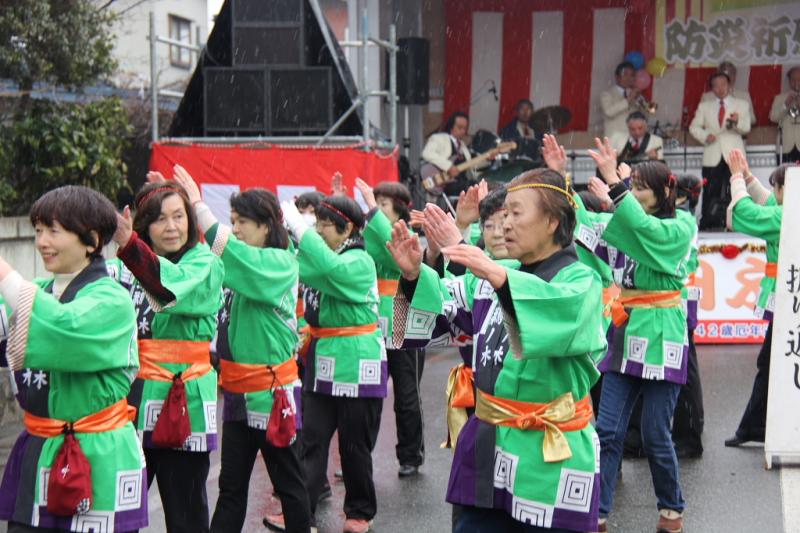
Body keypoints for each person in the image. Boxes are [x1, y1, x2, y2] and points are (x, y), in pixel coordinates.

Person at [389, 168, 608, 532]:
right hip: (488, 439)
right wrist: (415, 275)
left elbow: (555, 314)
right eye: (503, 214)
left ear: (553, 220)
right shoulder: (497, 273)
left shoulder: (580, 281)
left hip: (549, 451)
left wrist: (495, 274)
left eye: (516, 213)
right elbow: (437, 317)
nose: (504, 224)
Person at [172, 169, 312, 533]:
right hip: (236, 395)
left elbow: (228, 251)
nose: (235, 228)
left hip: (272, 395)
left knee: (290, 486)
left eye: (244, 221)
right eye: (232, 221)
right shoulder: (236, 263)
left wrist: (199, 206)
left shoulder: (281, 263)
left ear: (267, 226)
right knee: (231, 488)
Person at [0, 186, 147, 533]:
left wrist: (5, 274)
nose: (41, 241)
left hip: (98, 454)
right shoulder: (39, 291)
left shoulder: (112, 300)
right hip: (39, 448)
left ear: (91, 240)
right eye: (37, 230)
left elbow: (65, 328)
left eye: (53, 230)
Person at [576, 136, 694, 533]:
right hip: (624, 331)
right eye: (634, 186)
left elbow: (645, 232)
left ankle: (672, 507)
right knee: (606, 430)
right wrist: (558, 178)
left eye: (642, 187)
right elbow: (582, 225)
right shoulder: (624, 222)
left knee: (655, 433)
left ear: (665, 191)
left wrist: (615, 182)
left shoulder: (681, 226)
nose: (635, 192)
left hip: (663, 332)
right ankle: (599, 512)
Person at [110, 174, 224, 533]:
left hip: (182, 398)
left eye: (179, 215)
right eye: (160, 218)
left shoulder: (204, 264)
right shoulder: (118, 269)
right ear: (144, 225)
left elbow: (168, 285)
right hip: (127, 399)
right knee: (115, 509)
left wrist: (129, 244)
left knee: (186, 513)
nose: (172, 226)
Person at [268, 195, 386, 533]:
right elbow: (294, 267)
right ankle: (297, 511)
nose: (317, 231)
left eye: (323, 225)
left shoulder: (359, 260)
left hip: (356, 359)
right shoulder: (323, 257)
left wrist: (300, 230)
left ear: (347, 228)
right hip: (322, 360)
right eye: (315, 224)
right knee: (310, 440)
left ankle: (360, 512)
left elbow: (327, 269)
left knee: (354, 444)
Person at [354, 178, 426, 478]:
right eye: (376, 203)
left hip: (400, 312)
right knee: (366, 394)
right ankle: (358, 455)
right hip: (371, 319)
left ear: (398, 212)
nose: (376, 209)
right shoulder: (368, 233)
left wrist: (371, 209)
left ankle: (410, 454)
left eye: (384, 204)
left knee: (406, 394)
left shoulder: (406, 236)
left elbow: (389, 248)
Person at [723, 152, 785, 448]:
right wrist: (748, 177)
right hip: (786, 295)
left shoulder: (788, 215)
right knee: (771, 360)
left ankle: (754, 425)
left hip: (789, 297)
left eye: (777, 188)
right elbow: (768, 203)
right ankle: (754, 425)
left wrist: (736, 178)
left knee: (773, 361)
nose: (773, 194)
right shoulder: (788, 209)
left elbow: (748, 213)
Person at [689, 71, 752, 231]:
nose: (720, 88)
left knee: (736, 189)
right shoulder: (705, 106)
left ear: (729, 86)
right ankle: (709, 224)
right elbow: (693, 127)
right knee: (711, 190)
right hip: (712, 153)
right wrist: (705, 136)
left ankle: (737, 224)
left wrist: (737, 122)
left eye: (723, 84)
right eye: (716, 86)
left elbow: (746, 128)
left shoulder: (741, 104)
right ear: (712, 88)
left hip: (734, 154)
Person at [421, 112, 477, 197]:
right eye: (459, 127)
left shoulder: (463, 147)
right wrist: (448, 166)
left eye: (465, 128)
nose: (463, 131)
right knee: (474, 187)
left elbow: (472, 168)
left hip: (461, 182)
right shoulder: (439, 138)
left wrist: (487, 158)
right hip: (445, 183)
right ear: (451, 126)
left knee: (476, 185)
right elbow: (427, 153)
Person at [769, 66, 800, 164]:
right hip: (785, 146)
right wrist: (785, 105)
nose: (796, 82)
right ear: (789, 81)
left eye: (799, 79)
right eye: (793, 79)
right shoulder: (780, 98)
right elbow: (773, 117)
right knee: (786, 178)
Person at [600, 62, 638, 139]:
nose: (629, 78)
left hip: (631, 140)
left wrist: (641, 103)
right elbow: (609, 112)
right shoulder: (606, 94)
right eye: (625, 75)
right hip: (614, 140)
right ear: (617, 77)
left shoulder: (634, 94)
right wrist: (629, 99)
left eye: (632, 75)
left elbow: (642, 117)